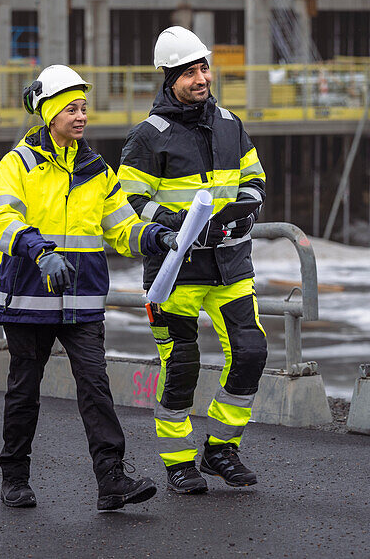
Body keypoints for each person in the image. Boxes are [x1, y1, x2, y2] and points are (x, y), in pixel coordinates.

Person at [0, 63, 178, 511]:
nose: (80, 115)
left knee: (96, 387)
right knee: (24, 391)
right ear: (49, 114)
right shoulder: (19, 164)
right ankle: (14, 476)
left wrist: (155, 238)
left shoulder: (96, 170)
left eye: (84, 107)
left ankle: (112, 482)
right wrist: (38, 250)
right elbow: (1, 220)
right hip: (28, 299)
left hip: (81, 302)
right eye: (71, 108)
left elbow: (121, 228)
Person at [118, 26, 268, 495]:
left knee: (251, 352)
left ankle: (221, 449)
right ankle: (178, 463)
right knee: (181, 364)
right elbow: (128, 200)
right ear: (170, 77)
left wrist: (244, 206)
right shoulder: (148, 136)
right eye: (189, 72)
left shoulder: (229, 124)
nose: (200, 78)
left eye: (204, 68)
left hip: (229, 265)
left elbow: (255, 178)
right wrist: (174, 221)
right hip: (175, 272)